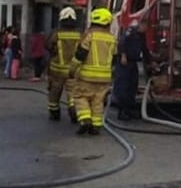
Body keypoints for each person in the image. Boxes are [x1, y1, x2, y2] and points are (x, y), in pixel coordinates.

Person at [68, 7, 117, 136]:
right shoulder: (112, 38)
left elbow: (80, 55)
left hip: (86, 77)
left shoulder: (89, 36)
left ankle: (85, 120)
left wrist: (72, 70)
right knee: (98, 101)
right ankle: (96, 126)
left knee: (80, 96)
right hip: (105, 79)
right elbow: (115, 58)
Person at [46, 7, 80, 122]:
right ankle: (73, 110)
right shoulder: (79, 34)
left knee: (54, 92)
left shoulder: (56, 33)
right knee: (73, 92)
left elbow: (48, 46)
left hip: (57, 70)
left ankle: (54, 112)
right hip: (73, 70)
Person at [114, 19, 148, 121]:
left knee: (133, 86)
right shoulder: (130, 32)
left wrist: (150, 61)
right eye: (145, 25)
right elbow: (121, 43)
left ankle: (129, 109)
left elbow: (144, 49)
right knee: (123, 86)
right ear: (140, 24)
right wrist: (123, 55)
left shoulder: (141, 36)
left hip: (133, 63)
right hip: (125, 64)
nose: (146, 28)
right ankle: (122, 111)